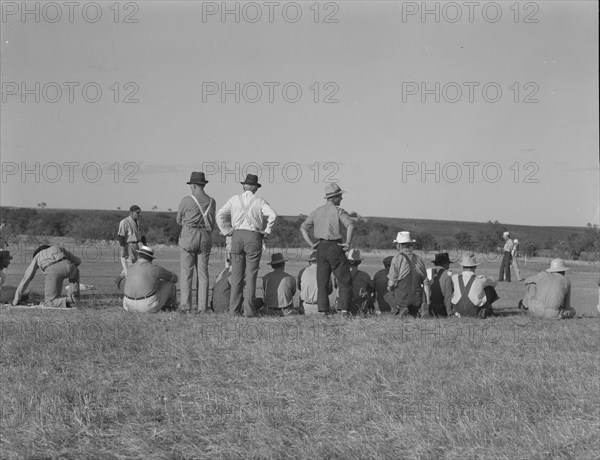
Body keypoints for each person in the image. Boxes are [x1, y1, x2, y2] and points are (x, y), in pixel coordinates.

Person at [216, 173, 277, 317]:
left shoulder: (234, 199)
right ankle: (249, 311)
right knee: (251, 276)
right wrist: (266, 231)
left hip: (236, 236)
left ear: (244, 186)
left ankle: (233, 310)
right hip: (253, 237)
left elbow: (219, 214)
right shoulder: (260, 201)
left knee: (236, 276)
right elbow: (273, 215)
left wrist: (226, 231)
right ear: (255, 188)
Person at [300, 183, 354, 315]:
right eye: (340, 196)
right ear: (334, 197)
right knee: (344, 280)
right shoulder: (338, 211)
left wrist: (311, 244)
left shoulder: (316, 212)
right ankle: (344, 310)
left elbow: (303, 228)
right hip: (335, 246)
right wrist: (347, 243)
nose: (341, 198)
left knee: (322, 281)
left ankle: (323, 311)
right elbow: (351, 226)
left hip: (321, 247)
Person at [176, 171, 216, 314]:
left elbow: (178, 219)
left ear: (192, 185)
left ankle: (186, 306)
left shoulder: (186, 200)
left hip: (188, 235)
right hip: (205, 236)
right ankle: (202, 307)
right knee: (203, 273)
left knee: (186, 272)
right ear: (203, 185)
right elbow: (212, 222)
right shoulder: (212, 201)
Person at [13, 244, 80, 308]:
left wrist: (16, 299)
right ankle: (74, 297)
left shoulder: (37, 256)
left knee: (49, 302)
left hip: (52, 270)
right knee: (75, 273)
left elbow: (27, 277)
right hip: (69, 265)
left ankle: (69, 300)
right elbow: (77, 261)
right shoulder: (57, 247)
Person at [385, 231, 431, 318]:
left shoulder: (397, 258)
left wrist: (390, 288)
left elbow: (391, 283)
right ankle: (420, 308)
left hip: (403, 297)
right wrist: (427, 302)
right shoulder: (419, 259)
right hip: (418, 298)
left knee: (388, 295)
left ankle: (400, 309)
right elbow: (426, 283)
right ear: (410, 244)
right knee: (415, 297)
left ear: (399, 245)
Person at [123, 246, 178, 313]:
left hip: (127, 305)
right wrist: (171, 274)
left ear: (139, 256)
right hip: (146, 307)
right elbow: (175, 279)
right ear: (151, 259)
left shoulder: (130, 268)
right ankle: (170, 307)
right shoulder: (156, 269)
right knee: (170, 285)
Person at [451, 254, 499, 318]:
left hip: (458, 309)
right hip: (474, 311)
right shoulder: (481, 279)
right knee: (489, 288)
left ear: (462, 267)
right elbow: (494, 283)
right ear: (475, 267)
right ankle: (486, 310)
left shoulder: (455, 277)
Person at [115, 205, 146, 288]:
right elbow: (120, 236)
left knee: (137, 266)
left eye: (140, 213)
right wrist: (123, 249)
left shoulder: (138, 223)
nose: (139, 214)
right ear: (132, 212)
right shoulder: (125, 222)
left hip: (137, 246)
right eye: (137, 213)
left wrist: (145, 248)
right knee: (130, 271)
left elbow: (142, 236)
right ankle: (129, 293)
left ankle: (119, 278)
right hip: (128, 246)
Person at [298, 250, 333, 315]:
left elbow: (300, 288)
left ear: (309, 261)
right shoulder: (326, 272)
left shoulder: (302, 271)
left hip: (305, 308)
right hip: (321, 308)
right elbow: (330, 290)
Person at [346, 249, 375, 316]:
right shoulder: (365, 275)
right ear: (359, 262)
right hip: (357, 307)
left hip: (342, 306)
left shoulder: (340, 274)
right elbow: (372, 287)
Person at [429, 252, 454, 317]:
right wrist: (449, 312)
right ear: (445, 264)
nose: (449, 266)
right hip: (441, 309)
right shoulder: (448, 274)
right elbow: (448, 296)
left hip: (429, 308)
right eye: (448, 264)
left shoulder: (429, 272)